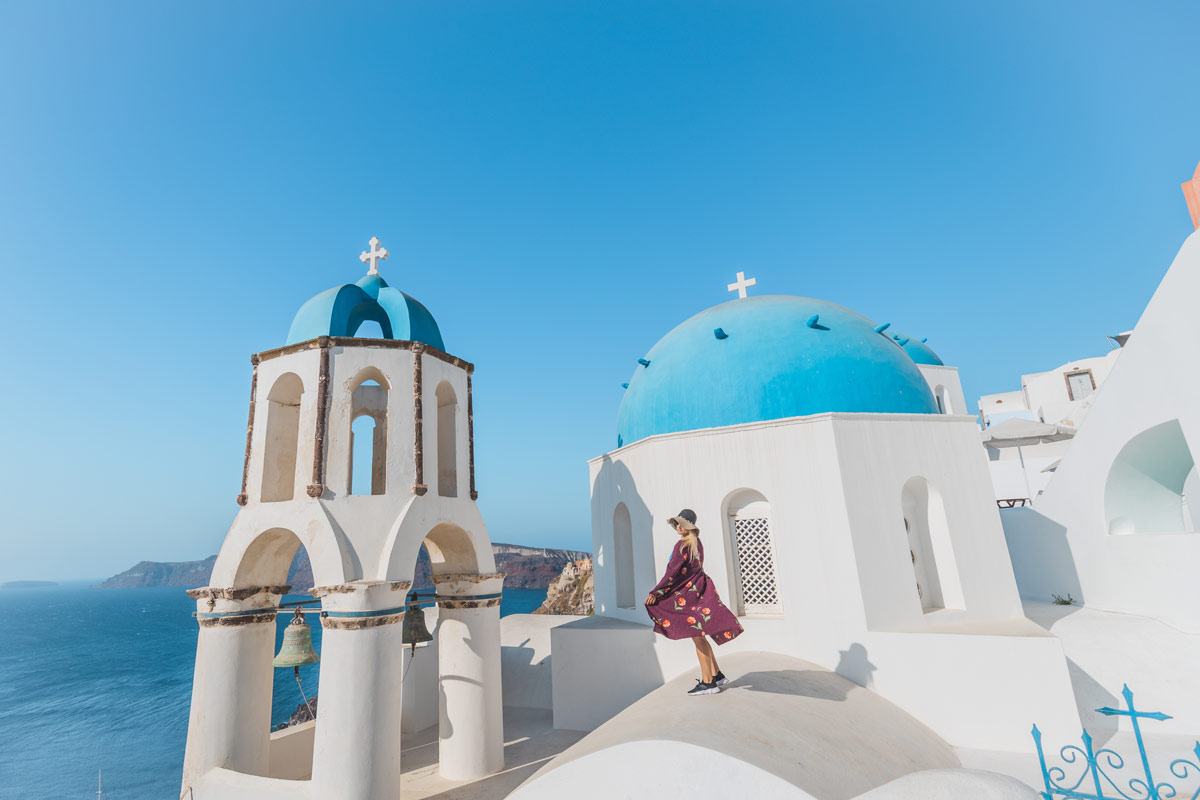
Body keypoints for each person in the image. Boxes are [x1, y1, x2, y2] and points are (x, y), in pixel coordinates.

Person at [645, 508, 744, 695]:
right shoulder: (696, 543)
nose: (678, 526)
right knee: (700, 634)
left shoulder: (682, 546)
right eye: (677, 523)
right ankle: (716, 675)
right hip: (698, 591)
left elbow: (672, 573)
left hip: (689, 596)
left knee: (698, 637)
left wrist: (656, 593)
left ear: (689, 527)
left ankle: (708, 683)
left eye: (682, 524)